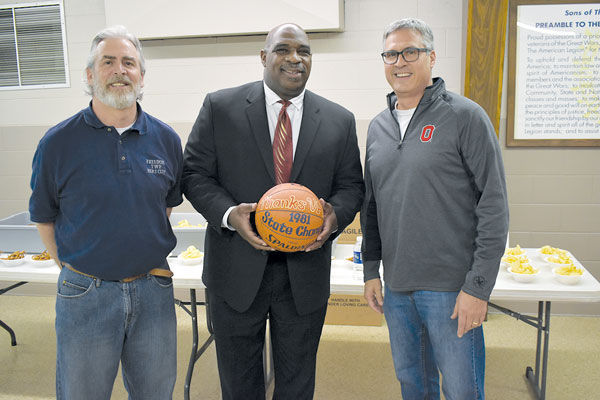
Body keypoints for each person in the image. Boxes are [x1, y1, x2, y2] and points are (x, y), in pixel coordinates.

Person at [182, 23, 364, 400]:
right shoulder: (221, 108)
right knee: (238, 382)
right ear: (264, 57)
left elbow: (351, 187)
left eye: (304, 51)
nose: (295, 58)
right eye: (283, 49)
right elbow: (195, 174)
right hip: (236, 269)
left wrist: (333, 219)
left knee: (297, 383)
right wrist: (231, 215)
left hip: (304, 275)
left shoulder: (338, 120)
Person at [29, 26, 183, 400]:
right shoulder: (57, 143)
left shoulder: (166, 140)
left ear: (142, 76)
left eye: (129, 62)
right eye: (108, 62)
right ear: (89, 75)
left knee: (156, 394)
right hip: (86, 294)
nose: (120, 70)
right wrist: (77, 269)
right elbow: (44, 219)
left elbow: (162, 207)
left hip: (154, 292)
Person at [361, 18, 509, 400]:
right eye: (391, 54)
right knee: (413, 384)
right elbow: (372, 204)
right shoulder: (377, 127)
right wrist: (370, 270)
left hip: (451, 289)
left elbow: (493, 204)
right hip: (397, 288)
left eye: (411, 51)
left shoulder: (465, 117)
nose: (400, 61)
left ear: (431, 57)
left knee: (461, 390)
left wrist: (478, 287)